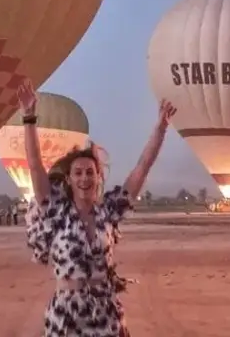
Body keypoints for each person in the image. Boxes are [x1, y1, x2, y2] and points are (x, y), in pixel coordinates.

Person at [20, 78, 175, 337]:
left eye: (90, 172)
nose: (84, 178)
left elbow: (141, 169)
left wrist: (160, 129)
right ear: (69, 179)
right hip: (67, 314)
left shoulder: (108, 212)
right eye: (78, 173)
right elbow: (35, 165)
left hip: (105, 311)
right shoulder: (57, 211)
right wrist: (29, 117)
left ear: (98, 177)